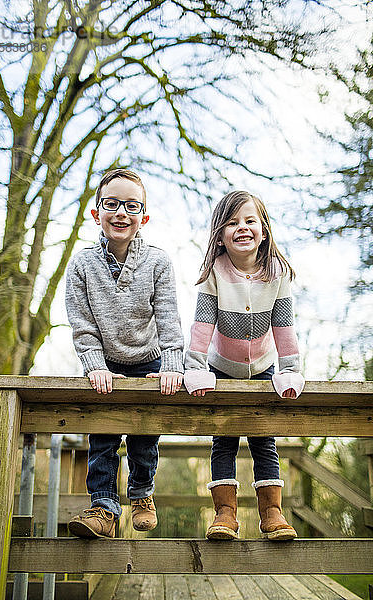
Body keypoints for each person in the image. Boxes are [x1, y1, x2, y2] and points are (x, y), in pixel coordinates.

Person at [65, 168, 184, 538]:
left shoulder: (158, 262)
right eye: (112, 204)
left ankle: (142, 493)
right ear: (96, 212)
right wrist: (94, 366)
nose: (121, 212)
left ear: (143, 217)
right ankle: (103, 508)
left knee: (144, 434)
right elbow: (82, 324)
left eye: (131, 206)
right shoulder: (82, 264)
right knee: (102, 435)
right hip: (106, 363)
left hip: (149, 360)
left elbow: (168, 318)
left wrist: (173, 366)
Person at [184, 190, 305, 542]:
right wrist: (195, 368)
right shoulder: (214, 273)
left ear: (263, 230)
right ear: (220, 235)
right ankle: (225, 513)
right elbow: (202, 325)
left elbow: (284, 327)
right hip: (222, 367)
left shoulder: (277, 273)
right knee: (223, 438)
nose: (242, 228)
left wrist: (290, 370)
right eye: (232, 222)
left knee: (264, 437)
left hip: (265, 368)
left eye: (250, 220)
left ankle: (272, 512)